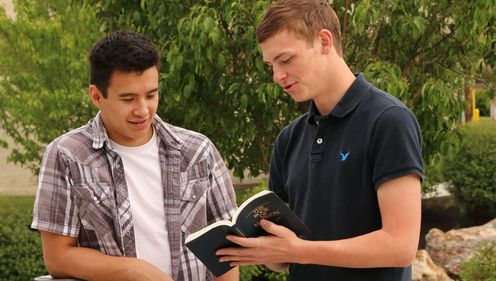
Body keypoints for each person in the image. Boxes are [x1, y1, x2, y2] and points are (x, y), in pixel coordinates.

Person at [216, 1, 423, 280]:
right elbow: (284, 258)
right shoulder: (288, 138)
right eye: (271, 65)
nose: (278, 76)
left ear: (324, 41)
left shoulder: (389, 121)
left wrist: (298, 251)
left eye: (286, 60)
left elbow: (401, 246)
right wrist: (264, 248)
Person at [31, 31, 239, 281]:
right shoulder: (67, 155)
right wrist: (131, 269)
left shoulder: (198, 151)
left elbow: (227, 251)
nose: (143, 110)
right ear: (97, 96)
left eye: (151, 95)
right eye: (128, 98)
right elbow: (57, 257)